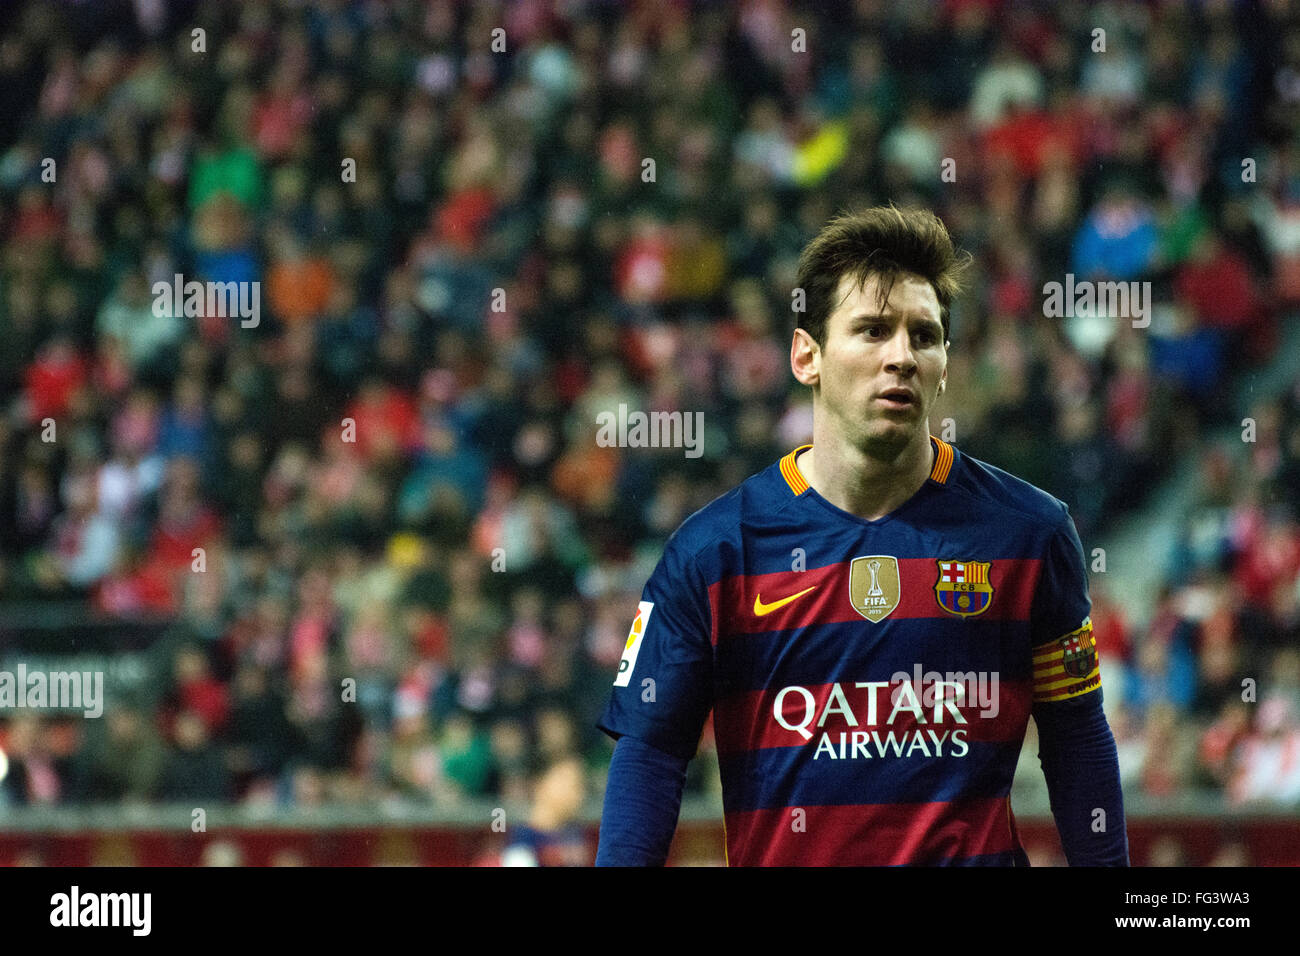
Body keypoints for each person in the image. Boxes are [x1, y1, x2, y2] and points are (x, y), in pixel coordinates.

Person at [596, 205, 1128, 866]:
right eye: (873, 330)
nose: (901, 356)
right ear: (806, 356)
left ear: (943, 363)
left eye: (923, 335)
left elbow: (1076, 735)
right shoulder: (712, 553)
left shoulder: (1029, 534)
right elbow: (651, 749)